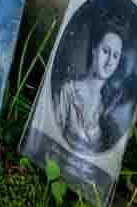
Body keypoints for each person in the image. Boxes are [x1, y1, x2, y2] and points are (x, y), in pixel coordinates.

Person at [53, 13, 131, 154]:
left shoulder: (108, 107)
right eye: (106, 51)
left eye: (115, 56)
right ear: (94, 49)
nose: (109, 62)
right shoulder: (69, 91)